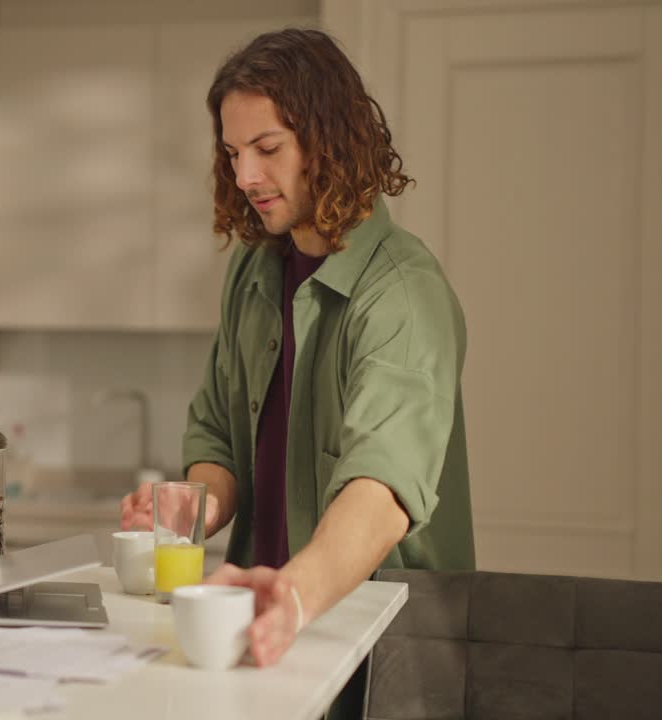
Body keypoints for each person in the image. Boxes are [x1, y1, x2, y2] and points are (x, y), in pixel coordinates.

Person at [120, 27, 475, 715]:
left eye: (268, 149)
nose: (246, 176)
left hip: (385, 652)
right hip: (266, 638)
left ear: (329, 141)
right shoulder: (255, 271)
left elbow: (380, 494)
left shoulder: (403, 292)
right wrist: (192, 508)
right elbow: (219, 438)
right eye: (232, 153)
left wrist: (293, 591)